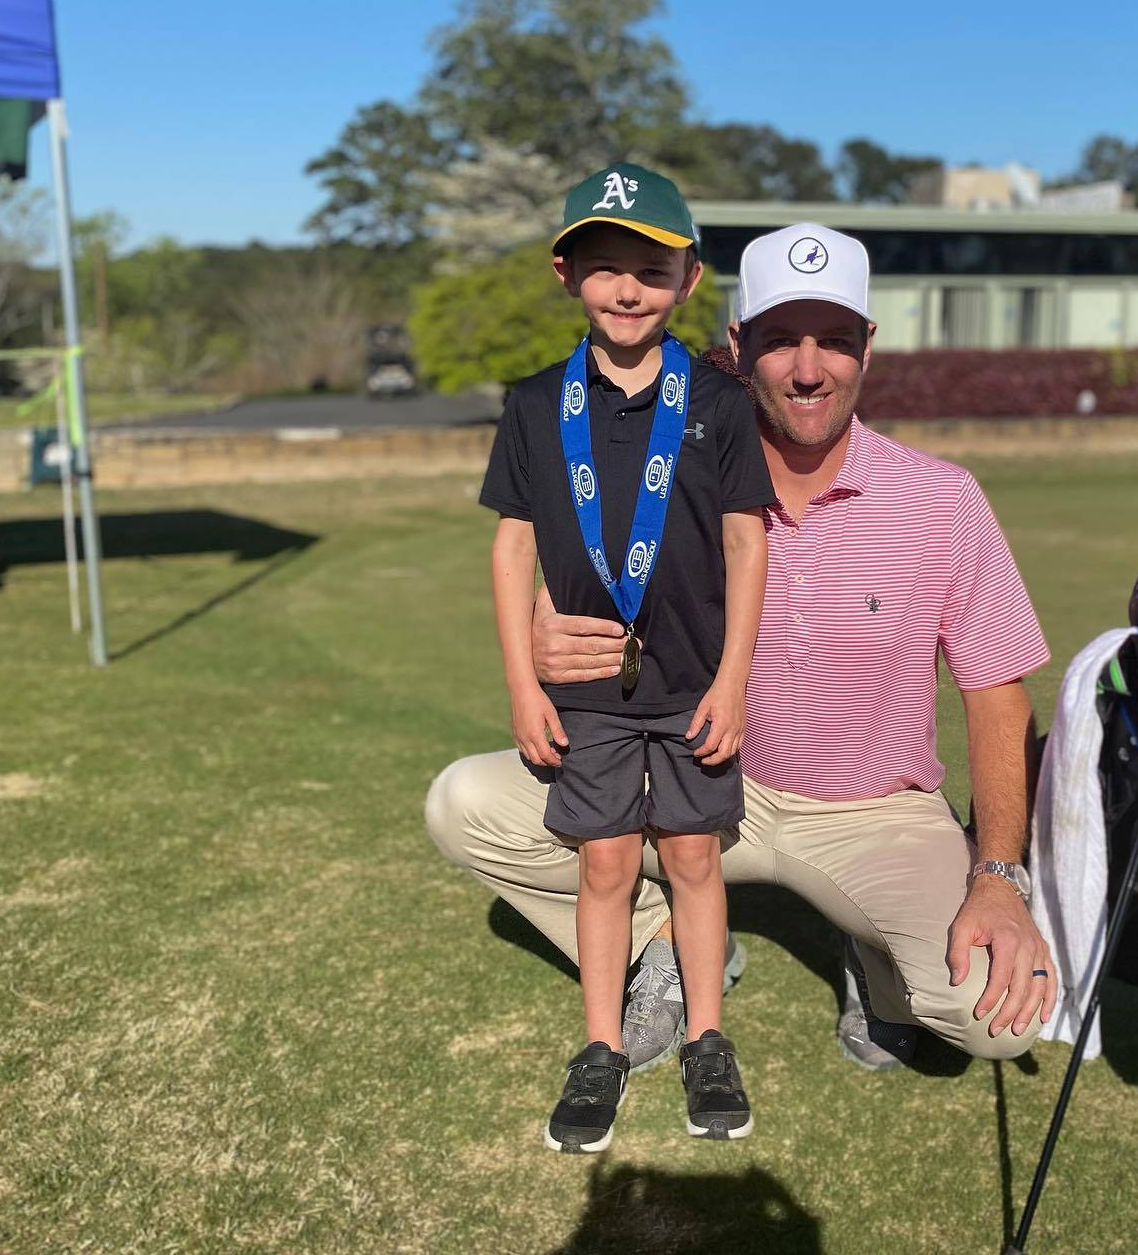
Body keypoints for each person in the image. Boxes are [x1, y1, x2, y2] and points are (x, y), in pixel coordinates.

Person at [427, 220, 1058, 1096]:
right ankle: (669, 946)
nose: (808, 369)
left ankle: (873, 964)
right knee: (462, 803)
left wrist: (997, 877)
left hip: (874, 813)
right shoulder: (672, 460)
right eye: (779, 341)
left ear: (867, 347)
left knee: (994, 1017)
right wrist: (545, 633)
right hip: (702, 778)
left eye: (834, 340)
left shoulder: (943, 499)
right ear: (737, 346)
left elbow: (999, 697)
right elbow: (572, 564)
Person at [480, 163, 773, 1152]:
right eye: (603, 266)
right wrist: (523, 680)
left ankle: (706, 1038)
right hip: (584, 689)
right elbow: (512, 543)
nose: (627, 288)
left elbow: (747, 543)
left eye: (650, 268)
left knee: (694, 855)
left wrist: (734, 680)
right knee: (604, 863)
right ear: (566, 276)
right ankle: (601, 1045)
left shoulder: (721, 404)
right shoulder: (532, 405)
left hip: (694, 683)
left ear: (688, 281)